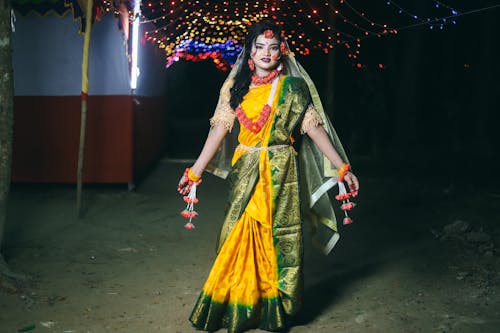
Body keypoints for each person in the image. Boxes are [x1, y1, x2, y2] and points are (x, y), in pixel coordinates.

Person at [177, 21, 359, 333]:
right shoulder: (235, 88)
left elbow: (313, 129)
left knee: (278, 239)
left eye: (273, 47)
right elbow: (220, 129)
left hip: (281, 172)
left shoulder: (294, 89)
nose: (266, 53)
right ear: (249, 51)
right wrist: (195, 171)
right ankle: (235, 305)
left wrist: (342, 167)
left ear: (281, 52)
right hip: (246, 172)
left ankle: (273, 311)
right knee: (236, 235)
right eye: (259, 46)